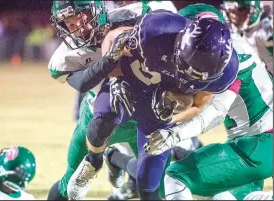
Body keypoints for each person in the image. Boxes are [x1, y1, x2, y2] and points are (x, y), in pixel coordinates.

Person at [67, 9, 239, 200]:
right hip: (130, 83)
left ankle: (114, 158)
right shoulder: (160, 28)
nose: (188, 73)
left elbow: (197, 105)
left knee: (148, 183)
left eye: (197, 74)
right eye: (187, 63)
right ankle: (93, 161)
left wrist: (171, 118)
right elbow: (113, 37)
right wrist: (114, 77)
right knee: (105, 117)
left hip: (160, 108)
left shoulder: (226, 73)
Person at [46, 1, 180, 200]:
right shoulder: (66, 55)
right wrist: (110, 58)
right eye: (69, 23)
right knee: (69, 183)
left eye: (80, 16)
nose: (77, 26)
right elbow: (82, 83)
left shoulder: (129, 17)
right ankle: (98, 159)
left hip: (144, 116)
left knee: (156, 186)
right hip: (98, 121)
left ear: (96, 10)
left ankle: (115, 159)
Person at [144, 4, 273, 200]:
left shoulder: (232, 57)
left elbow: (215, 111)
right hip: (252, 146)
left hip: (258, 145)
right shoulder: (218, 51)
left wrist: (175, 134)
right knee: (224, 197)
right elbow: (196, 100)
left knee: (175, 177)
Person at [222, 0, 273, 74]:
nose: (233, 16)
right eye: (231, 11)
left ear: (253, 11)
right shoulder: (239, 32)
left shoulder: (266, 29)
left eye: (240, 10)